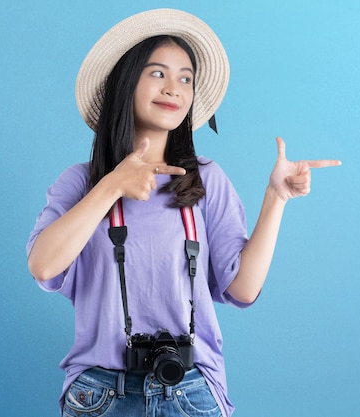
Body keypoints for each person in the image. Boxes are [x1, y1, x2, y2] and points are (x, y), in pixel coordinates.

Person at [27, 8, 340, 417]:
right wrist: (111, 186)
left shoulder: (206, 180)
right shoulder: (81, 182)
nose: (173, 88)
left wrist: (276, 197)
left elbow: (243, 289)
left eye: (185, 78)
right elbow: (43, 265)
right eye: (157, 73)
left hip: (191, 390)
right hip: (100, 393)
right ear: (126, 82)